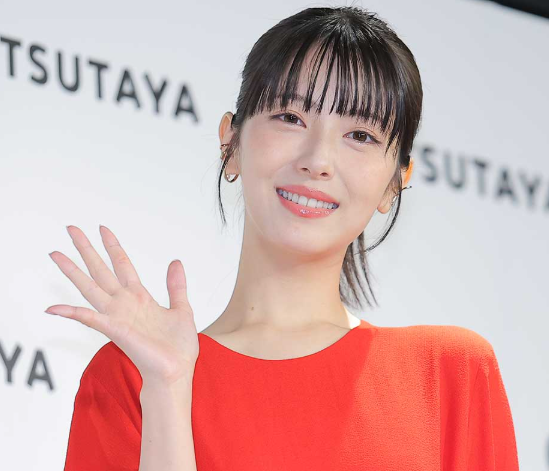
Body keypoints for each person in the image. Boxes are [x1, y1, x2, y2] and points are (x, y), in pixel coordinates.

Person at [46, 6, 520, 471]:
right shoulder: (131, 376)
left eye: (360, 135)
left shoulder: (449, 375)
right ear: (231, 143)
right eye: (291, 118)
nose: (318, 160)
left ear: (395, 183)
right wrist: (168, 387)